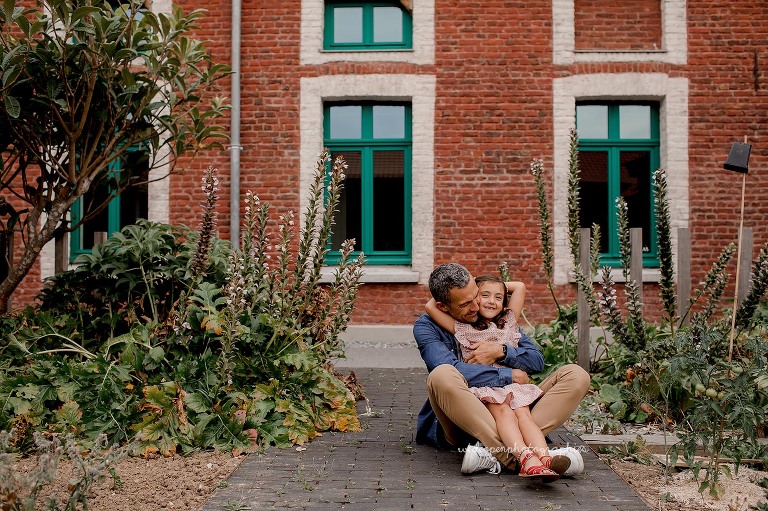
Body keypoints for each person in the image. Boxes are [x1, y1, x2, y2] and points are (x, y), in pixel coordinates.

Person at [414, 263, 590, 477]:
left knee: (576, 375)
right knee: (441, 374)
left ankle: (501, 454)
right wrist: (508, 374)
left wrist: (501, 351)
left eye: (476, 295)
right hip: (469, 415)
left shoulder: (498, 320)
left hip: (515, 406)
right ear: (443, 307)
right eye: (465, 304)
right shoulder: (427, 327)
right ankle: (520, 458)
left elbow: (536, 361)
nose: (476, 306)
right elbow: (455, 369)